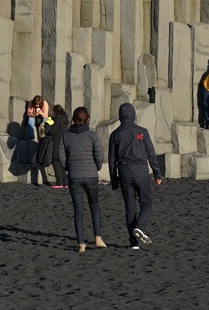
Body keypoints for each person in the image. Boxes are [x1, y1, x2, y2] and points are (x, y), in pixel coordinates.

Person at [108, 102, 161, 249]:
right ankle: (140, 227)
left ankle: (133, 242)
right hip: (141, 171)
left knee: (130, 207)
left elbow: (111, 160)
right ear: (133, 115)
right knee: (147, 202)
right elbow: (151, 154)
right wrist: (157, 173)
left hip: (124, 172)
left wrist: (114, 181)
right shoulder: (142, 131)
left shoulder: (115, 134)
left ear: (120, 116)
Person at [60, 107, 108, 253]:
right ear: (87, 119)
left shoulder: (65, 136)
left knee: (78, 210)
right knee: (94, 205)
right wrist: (96, 167)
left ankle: (81, 244)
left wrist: (70, 168)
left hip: (74, 176)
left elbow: (61, 157)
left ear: (73, 119)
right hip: (91, 175)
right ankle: (98, 238)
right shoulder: (92, 135)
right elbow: (99, 155)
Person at [41, 104, 69, 188]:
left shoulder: (58, 121)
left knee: (55, 161)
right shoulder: (65, 120)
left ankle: (59, 183)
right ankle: (65, 183)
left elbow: (51, 132)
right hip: (63, 142)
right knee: (61, 163)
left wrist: (48, 124)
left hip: (56, 142)